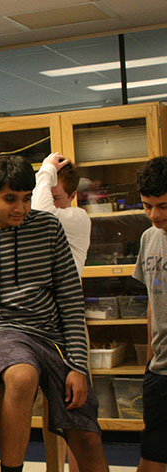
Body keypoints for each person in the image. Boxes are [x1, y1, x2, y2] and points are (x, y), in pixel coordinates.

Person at [0, 155, 108, 472]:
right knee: (22, 375)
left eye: (27, 199)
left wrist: (78, 365)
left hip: (51, 338)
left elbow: (69, 300)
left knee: (88, 440)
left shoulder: (48, 228)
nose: (21, 209)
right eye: (10, 199)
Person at [0, 151, 90, 276]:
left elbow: (43, 212)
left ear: (72, 196)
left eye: (55, 198)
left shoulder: (79, 218)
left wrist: (46, 171)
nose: (21, 208)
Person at [133, 156, 167, 472]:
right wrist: (150, 356)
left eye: (163, 206)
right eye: (147, 206)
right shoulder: (149, 238)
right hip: (159, 370)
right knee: (153, 455)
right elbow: (151, 301)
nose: (154, 215)